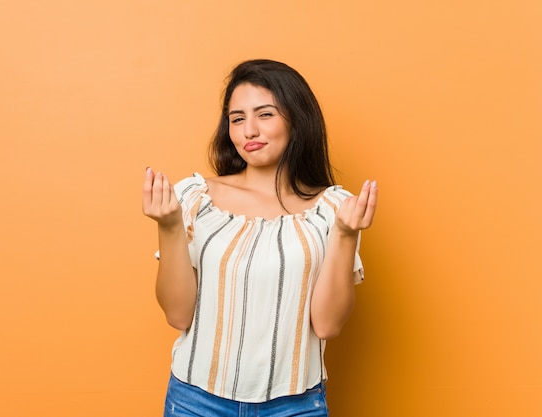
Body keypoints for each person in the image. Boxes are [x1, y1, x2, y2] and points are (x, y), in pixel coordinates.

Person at [142, 59, 378, 416]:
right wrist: (170, 226)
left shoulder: (334, 210)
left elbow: (327, 325)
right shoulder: (194, 198)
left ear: (297, 119)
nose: (248, 130)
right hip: (196, 401)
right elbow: (178, 315)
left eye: (264, 114)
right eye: (237, 119)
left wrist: (346, 235)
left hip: (295, 405)